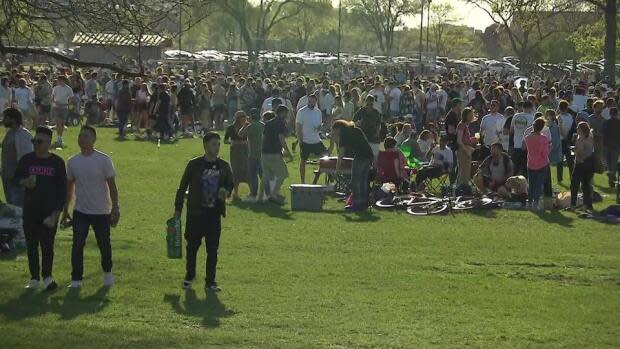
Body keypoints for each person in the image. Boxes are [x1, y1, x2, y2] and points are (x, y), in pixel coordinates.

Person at [174, 132, 233, 292]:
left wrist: (225, 191)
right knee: (192, 247)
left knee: (212, 249)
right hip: (196, 213)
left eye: (219, 144)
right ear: (206, 146)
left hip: (214, 214)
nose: (217, 147)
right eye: (214, 144)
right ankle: (189, 275)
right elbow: (182, 187)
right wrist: (178, 209)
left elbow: (230, 184)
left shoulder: (223, 166)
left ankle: (210, 281)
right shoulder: (194, 165)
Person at [63, 126, 120, 288]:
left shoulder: (103, 160)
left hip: (101, 211)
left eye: (86, 136)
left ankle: (108, 273)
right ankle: (76, 279)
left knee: (104, 244)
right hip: (81, 211)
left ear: (93, 139)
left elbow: (112, 186)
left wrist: (115, 207)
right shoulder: (72, 162)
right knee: (77, 244)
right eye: (80, 136)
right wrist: (66, 209)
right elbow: (69, 188)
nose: (82, 139)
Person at [14, 126, 66, 290]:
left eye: (39, 141)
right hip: (30, 211)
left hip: (49, 212)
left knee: (47, 246)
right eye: (34, 141)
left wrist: (56, 215)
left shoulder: (57, 163)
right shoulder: (26, 160)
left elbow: (62, 191)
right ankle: (34, 278)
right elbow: (15, 179)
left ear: (49, 143)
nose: (35, 144)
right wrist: (24, 182)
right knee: (31, 245)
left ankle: (48, 277)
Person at [331, 120, 374, 211]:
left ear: (339, 129)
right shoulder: (356, 129)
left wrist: (337, 169)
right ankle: (364, 203)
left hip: (360, 157)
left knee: (355, 181)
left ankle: (357, 203)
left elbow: (341, 154)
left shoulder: (344, 136)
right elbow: (364, 142)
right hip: (369, 156)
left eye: (335, 131)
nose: (335, 133)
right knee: (363, 181)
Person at [2, 108, 33, 207]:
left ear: (13, 119)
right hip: (7, 178)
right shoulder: (10, 133)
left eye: (6, 118)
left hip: (17, 180)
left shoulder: (23, 135)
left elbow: (26, 158)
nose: (3, 120)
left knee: (18, 209)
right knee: (11, 206)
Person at [260, 108, 293, 204]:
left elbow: (264, 138)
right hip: (274, 153)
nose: (287, 115)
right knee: (283, 174)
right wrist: (288, 153)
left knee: (269, 176)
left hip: (264, 152)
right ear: (282, 113)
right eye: (286, 113)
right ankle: (273, 195)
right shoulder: (280, 123)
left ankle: (264, 196)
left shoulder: (268, 123)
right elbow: (281, 138)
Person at [296, 94, 326, 184]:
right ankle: (303, 182)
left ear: (316, 102)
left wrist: (320, 128)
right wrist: (300, 140)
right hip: (305, 141)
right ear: (307, 101)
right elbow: (298, 127)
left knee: (326, 158)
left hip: (316, 140)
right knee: (303, 162)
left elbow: (320, 125)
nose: (311, 103)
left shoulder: (318, 112)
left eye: (313, 102)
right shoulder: (301, 112)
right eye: (309, 101)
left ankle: (325, 177)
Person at [523, 118, 551, 211]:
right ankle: (536, 204)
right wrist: (550, 148)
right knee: (538, 185)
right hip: (541, 164)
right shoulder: (543, 138)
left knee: (531, 184)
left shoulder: (527, 137)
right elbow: (545, 153)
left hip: (530, 163)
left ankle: (529, 203)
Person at [238, 108, 265, 202]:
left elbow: (240, 134)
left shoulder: (251, 126)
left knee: (253, 174)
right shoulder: (263, 125)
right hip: (263, 154)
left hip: (253, 154)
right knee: (263, 174)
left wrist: (245, 124)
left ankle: (254, 192)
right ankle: (268, 191)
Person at [570, 122, 595, 211]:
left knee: (574, 184)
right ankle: (588, 204)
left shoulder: (580, 138)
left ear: (581, 129)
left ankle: (573, 204)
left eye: (578, 128)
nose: (576, 129)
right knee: (586, 185)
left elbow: (579, 152)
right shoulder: (590, 137)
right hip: (590, 163)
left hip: (581, 163)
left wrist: (574, 150)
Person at [224, 111, 249, 198]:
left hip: (245, 150)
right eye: (242, 117)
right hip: (235, 151)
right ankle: (235, 192)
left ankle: (253, 191)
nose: (244, 118)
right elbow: (225, 140)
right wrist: (233, 142)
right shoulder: (230, 128)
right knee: (235, 170)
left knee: (247, 168)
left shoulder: (248, 126)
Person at [353, 95, 382, 159]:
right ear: (366, 102)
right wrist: (357, 125)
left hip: (373, 134)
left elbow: (378, 124)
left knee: (373, 152)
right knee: (363, 151)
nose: (369, 105)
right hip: (363, 133)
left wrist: (377, 133)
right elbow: (354, 120)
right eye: (368, 103)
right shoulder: (362, 110)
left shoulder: (376, 112)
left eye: (371, 103)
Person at [510, 101, 535, 176]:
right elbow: (532, 133)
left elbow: (511, 130)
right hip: (526, 146)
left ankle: (512, 185)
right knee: (524, 170)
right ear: (531, 108)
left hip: (516, 145)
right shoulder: (532, 117)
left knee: (515, 169)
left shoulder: (515, 116)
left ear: (522, 107)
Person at [51, 76, 74, 147]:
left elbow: (71, 99)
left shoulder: (69, 89)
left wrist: (67, 104)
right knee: (58, 123)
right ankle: (58, 138)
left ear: (64, 81)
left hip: (64, 107)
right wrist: (55, 102)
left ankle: (60, 138)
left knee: (62, 124)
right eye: (58, 81)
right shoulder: (55, 88)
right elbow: (52, 98)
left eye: (60, 80)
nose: (59, 82)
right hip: (57, 107)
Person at [456, 107, 476, 186]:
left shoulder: (465, 126)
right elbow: (459, 140)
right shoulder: (461, 125)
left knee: (467, 171)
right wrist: (466, 150)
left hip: (467, 148)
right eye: (471, 115)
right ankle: (463, 187)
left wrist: (471, 140)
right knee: (464, 171)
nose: (472, 116)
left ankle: (464, 186)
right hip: (463, 150)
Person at [557, 100, 576, 182]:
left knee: (560, 161)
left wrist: (565, 137)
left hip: (561, 140)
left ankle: (559, 178)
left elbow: (559, 129)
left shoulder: (559, 117)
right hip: (570, 140)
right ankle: (572, 177)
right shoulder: (571, 117)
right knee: (570, 161)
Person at [602, 107, 620, 187]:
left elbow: (603, 133)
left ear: (610, 113)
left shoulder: (606, 122)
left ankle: (611, 180)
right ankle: (612, 178)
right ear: (617, 113)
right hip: (616, 145)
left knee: (609, 163)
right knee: (614, 162)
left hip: (607, 145)